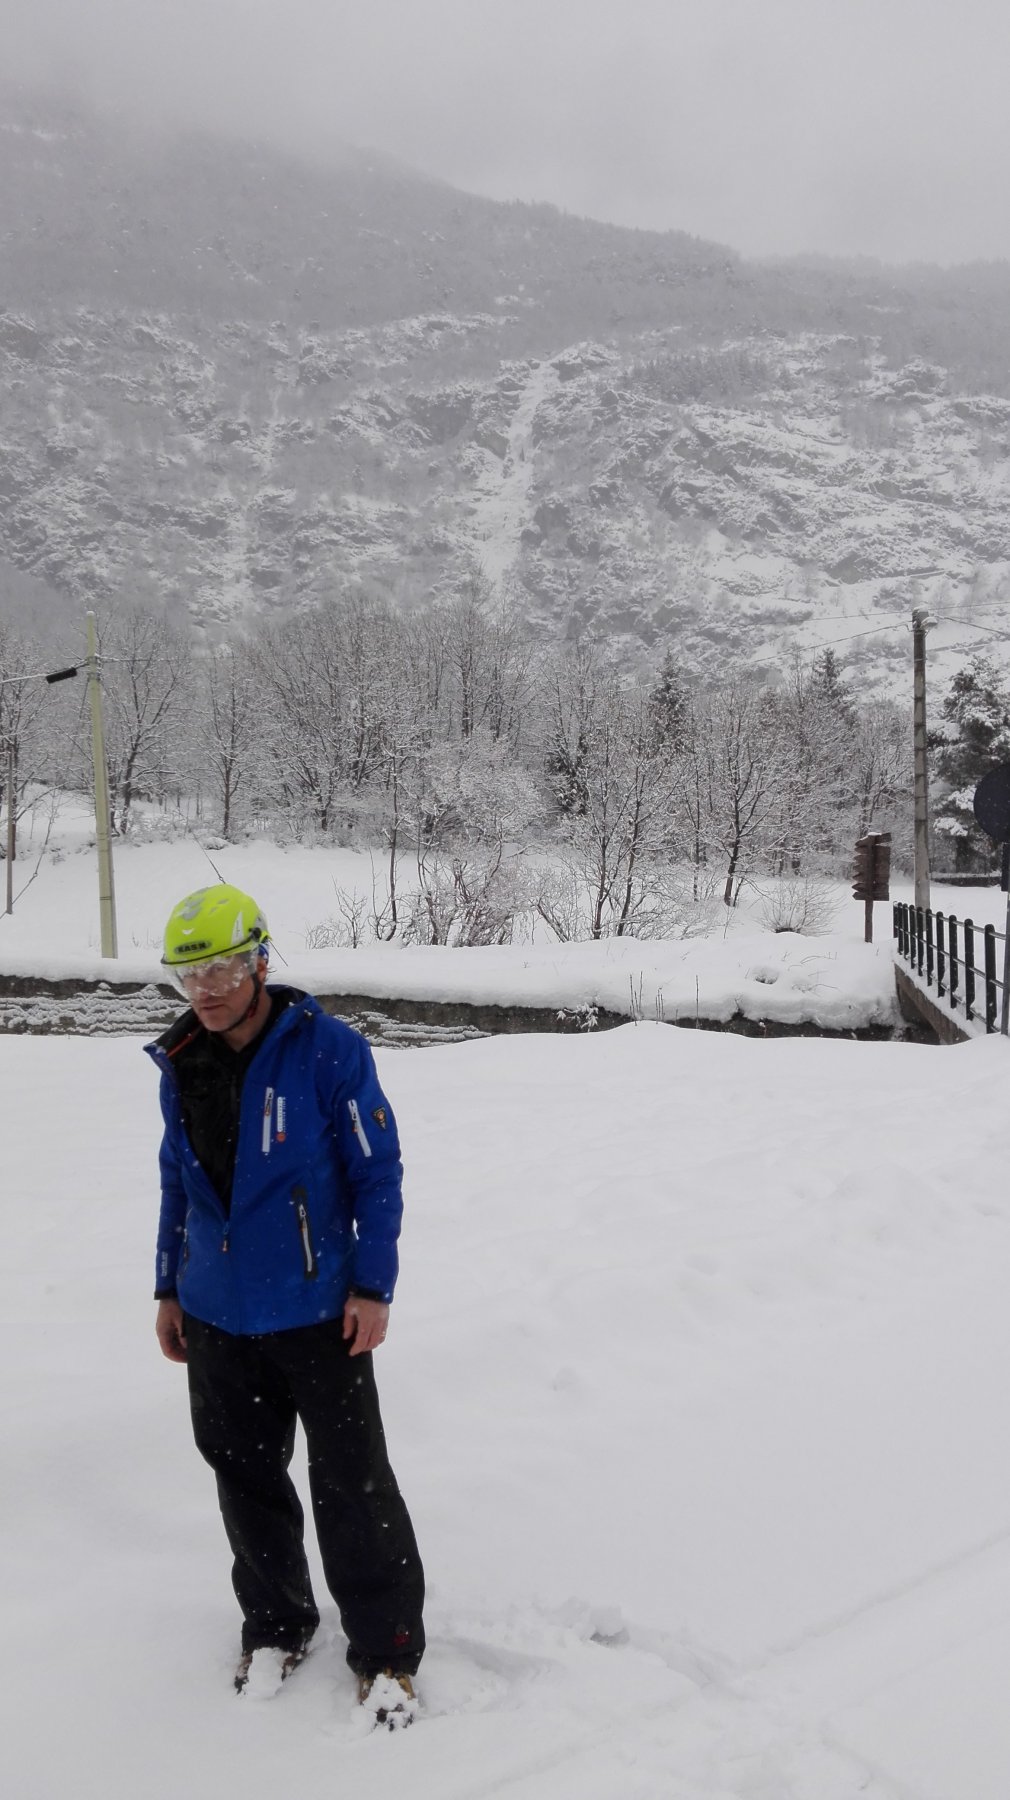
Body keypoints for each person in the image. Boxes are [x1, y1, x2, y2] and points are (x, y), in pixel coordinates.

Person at [148, 883, 424, 1726]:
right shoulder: (181, 1061)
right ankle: (275, 1624)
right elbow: (177, 1181)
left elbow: (377, 1172)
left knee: (353, 1483)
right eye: (189, 975)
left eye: (227, 967)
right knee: (245, 1478)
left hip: (318, 1312)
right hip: (217, 1315)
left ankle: (386, 1655)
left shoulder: (328, 1050)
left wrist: (373, 1285)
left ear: (262, 959)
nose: (210, 988)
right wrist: (168, 1284)